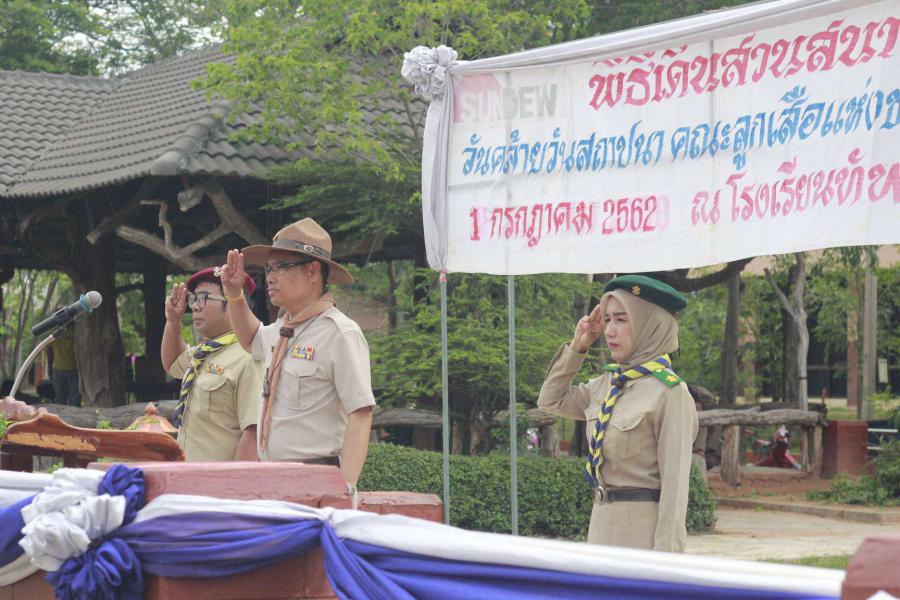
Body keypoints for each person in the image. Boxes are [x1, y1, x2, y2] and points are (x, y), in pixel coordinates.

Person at [537, 274, 698, 552]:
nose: (610, 331)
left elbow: (675, 488)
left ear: (650, 325)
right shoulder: (607, 384)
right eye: (608, 319)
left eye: (622, 320)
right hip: (600, 529)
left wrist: (667, 560)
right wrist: (578, 346)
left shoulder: (670, 393)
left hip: (642, 538)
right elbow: (550, 400)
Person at [217, 217, 375, 490]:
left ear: (313, 271)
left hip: (315, 478)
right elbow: (251, 338)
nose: (270, 277)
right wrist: (234, 293)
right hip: (272, 477)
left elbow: (360, 414)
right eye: (269, 268)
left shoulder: (340, 333)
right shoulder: (284, 328)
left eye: (281, 266)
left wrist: (345, 489)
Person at [162, 267, 263, 461]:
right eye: (194, 299)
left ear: (233, 302)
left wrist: (236, 480)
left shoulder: (249, 356)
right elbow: (173, 363)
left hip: (219, 479)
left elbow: (253, 435)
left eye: (203, 298)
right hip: (188, 473)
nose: (195, 307)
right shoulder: (205, 351)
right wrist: (173, 322)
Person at [48, 322, 79, 406]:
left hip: (74, 370)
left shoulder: (76, 329)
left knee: (75, 400)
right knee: (60, 399)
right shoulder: (54, 331)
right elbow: (50, 350)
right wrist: (49, 368)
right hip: (59, 370)